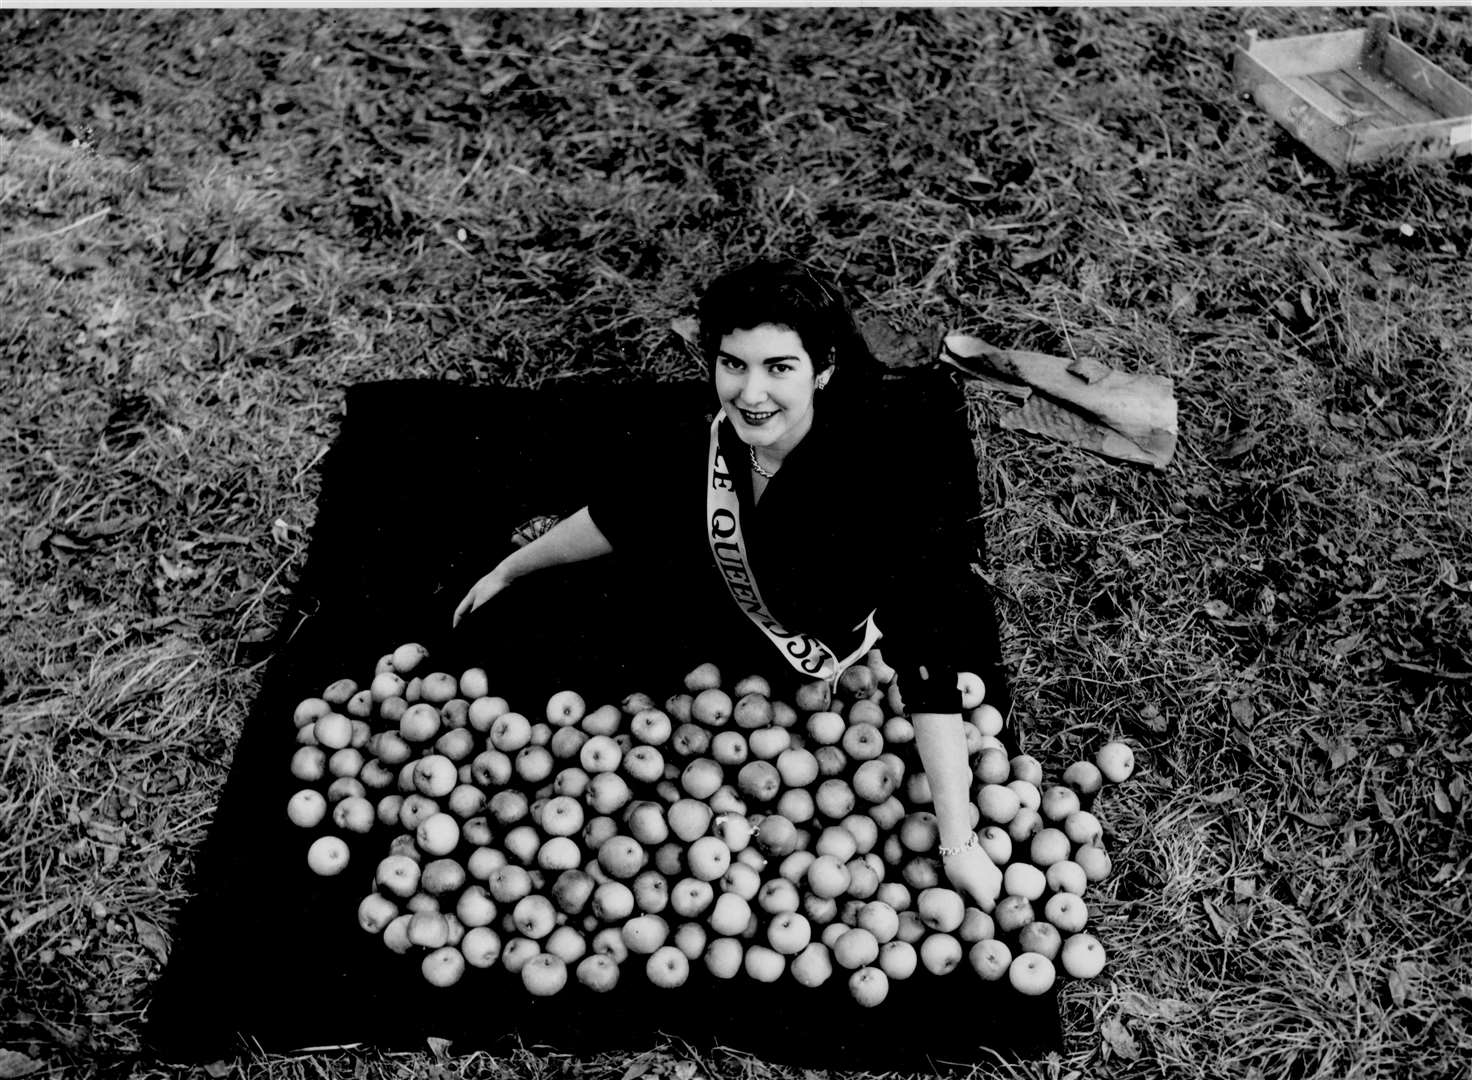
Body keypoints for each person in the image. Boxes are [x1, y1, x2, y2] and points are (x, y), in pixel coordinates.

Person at [453, 258, 1003, 911]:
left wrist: (959, 844)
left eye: (779, 367)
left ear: (823, 369)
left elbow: (926, 654)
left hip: (814, 637)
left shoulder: (877, 484)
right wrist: (508, 569)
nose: (749, 393)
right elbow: (626, 510)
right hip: (716, 626)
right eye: (733, 364)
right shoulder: (712, 436)